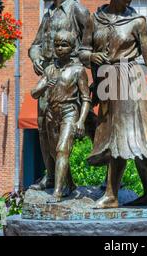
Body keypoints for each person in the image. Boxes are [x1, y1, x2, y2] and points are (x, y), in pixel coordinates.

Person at [79, 0, 147, 208]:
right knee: (118, 139)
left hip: (130, 80)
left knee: (133, 138)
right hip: (107, 83)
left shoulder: (137, 22)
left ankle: (118, 194)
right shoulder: (94, 19)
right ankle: (138, 194)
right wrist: (92, 57)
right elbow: (82, 51)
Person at [28, 0, 96, 191]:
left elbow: (88, 47)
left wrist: (76, 68)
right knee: (43, 130)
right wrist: (36, 57)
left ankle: (78, 181)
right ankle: (51, 177)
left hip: (70, 78)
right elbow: (35, 44)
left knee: (74, 132)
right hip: (48, 77)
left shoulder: (78, 11)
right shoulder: (47, 14)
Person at [31, 30, 91, 202]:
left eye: (64, 45)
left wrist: (81, 121)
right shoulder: (49, 69)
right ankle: (70, 184)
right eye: (57, 45)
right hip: (51, 114)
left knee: (62, 150)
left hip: (69, 112)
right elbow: (34, 93)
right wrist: (44, 86)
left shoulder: (78, 70)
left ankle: (57, 192)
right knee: (55, 152)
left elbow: (86, 98)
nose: (59, 48)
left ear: (72, 48)